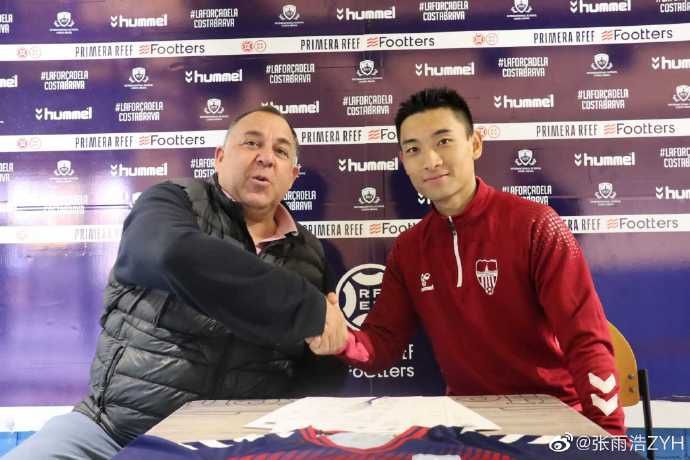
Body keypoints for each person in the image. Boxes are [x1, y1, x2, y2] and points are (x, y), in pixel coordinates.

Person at [7, 106, 348, 459]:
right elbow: (172, 254)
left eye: (280, 151)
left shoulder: (313, 257)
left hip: (230, 448)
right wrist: (305, 306)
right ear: (219, 158)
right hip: (113, 432)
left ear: (293, 175)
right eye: (251, 143)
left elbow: (321, 375)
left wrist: (326, 354)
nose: (265, 158)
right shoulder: (171, 202)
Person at [313, 88, 625, 435]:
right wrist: (343, 342)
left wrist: (607, 436)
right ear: (403, 161)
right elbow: (382, 346)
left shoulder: (537, 225)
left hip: (552, 415)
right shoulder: (409, 249)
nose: (430, 160)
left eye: (443, 141)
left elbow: (586, 340)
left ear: (475, 144)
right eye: (414, 149)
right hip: (467, 424)